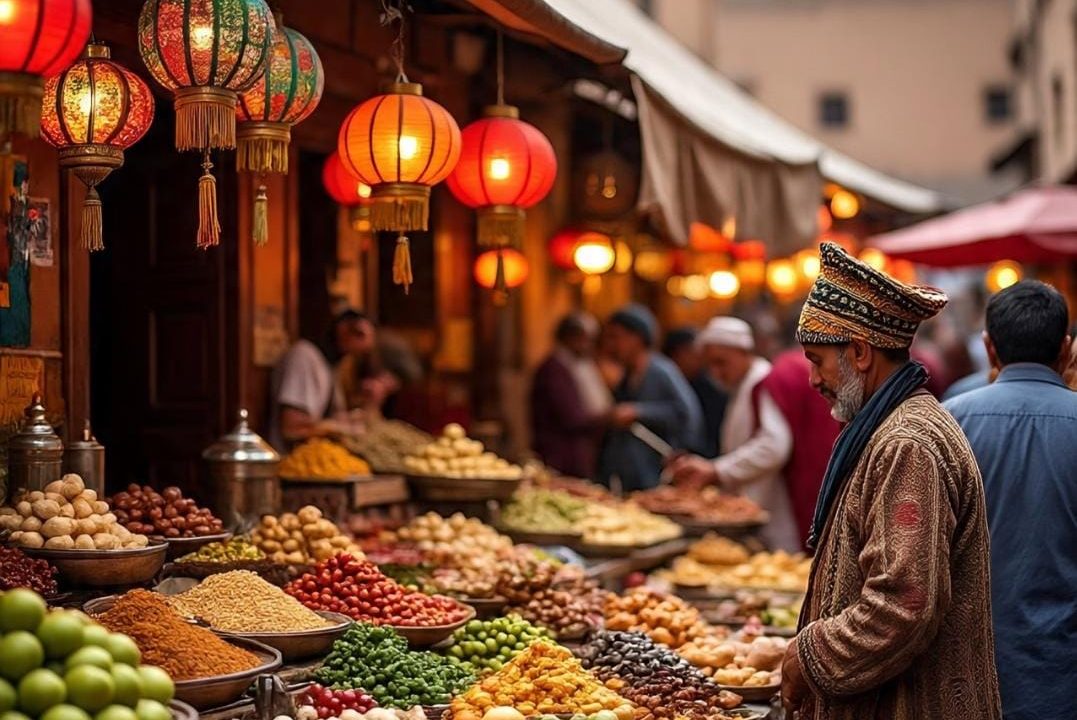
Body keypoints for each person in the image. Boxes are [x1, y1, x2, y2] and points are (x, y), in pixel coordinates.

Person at [781, 243, 1001, 720]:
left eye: (817, 359)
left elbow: (905, 603)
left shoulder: (907, 443)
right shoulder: (893, 426)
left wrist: (810, 653)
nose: (813, 379)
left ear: (859, 353)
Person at [944, 281, 1077, 720]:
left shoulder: (948, 422)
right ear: (1066, 349)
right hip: (1062, 674)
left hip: (962, 672)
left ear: (989, 348)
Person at [667, 317, 800, 551]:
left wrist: (717, 471)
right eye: (710, 366)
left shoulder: (762, 382)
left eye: (722, 363)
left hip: (769, 509)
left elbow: (773, 446)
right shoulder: (743, 385)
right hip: (751, 509)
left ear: (743, 352)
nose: (716, 373)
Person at [596, 304, 704, 492]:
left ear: (636, 338)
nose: (611, 345)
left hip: (658, 475)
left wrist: (639, 411)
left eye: (616, 337)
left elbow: (686, 414)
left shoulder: (661, 371)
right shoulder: (627, 376)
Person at [752, 349, 841, 549]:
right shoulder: (827, 366)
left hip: (807, 479)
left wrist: (718, 471)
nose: (814, 381)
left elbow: (774, 446)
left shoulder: (781, 374)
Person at [267, 309, 374, 451]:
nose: (361, 350)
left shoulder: (329, 365)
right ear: (342, 330)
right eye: (359, 335)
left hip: (322, 458)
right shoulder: (304, 357)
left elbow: (333, 417)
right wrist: (338, 428)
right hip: (296, 461)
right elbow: (292, 428)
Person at [530, 313, 611, 478]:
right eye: (585, 339)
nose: (589, 346)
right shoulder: (554, 370)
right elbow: (571, 416)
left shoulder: (576, 365)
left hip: (577, 453)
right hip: (560, 455)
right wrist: (608, 418)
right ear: (570, 338)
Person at [662, 327, 728, 457]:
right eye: (695, 352)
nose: (701, 358)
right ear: (679, 353)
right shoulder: (663, 382)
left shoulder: (709, 386)